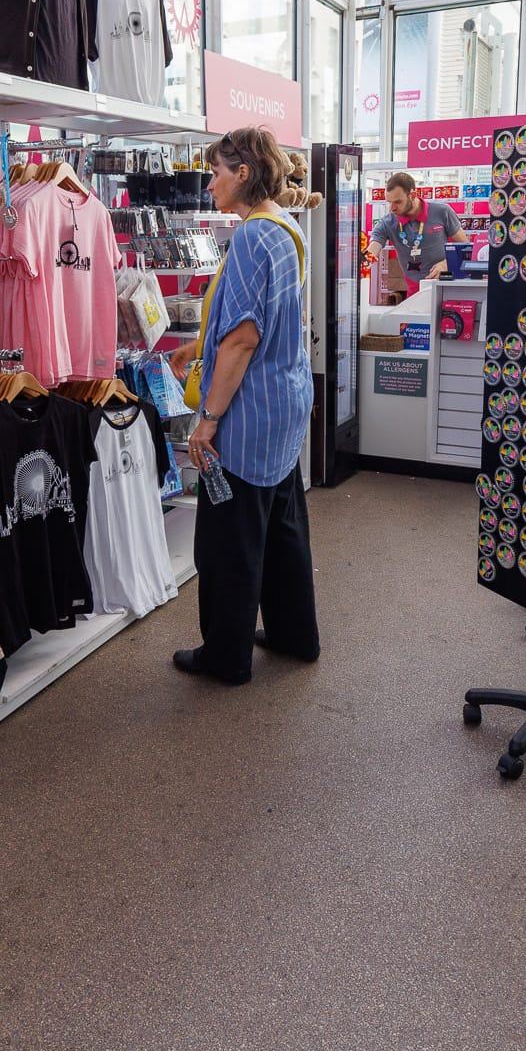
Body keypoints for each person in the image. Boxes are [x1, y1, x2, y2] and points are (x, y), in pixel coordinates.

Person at [165, 127, 318, 685]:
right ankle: (293, 633)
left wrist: (207, 421)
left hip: (249, 416)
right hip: (284, 403)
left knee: (228, 539)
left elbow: (245, 337)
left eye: (216, 173)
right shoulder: (284, 226)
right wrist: (199, 343)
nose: (209, 184)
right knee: (282, 524)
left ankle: (226, 657)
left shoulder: (253, 237)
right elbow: (259, 322)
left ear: (244, 173)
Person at [367, 170, 470, 297]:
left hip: (445, 286)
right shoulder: (388, 222)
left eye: (398, 202)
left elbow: (465, 247)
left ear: (412, 195)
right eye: (389, 202)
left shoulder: (442, 212)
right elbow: (371, 252)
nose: (392, 208)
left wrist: (446, 263)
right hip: (414, 292)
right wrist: (362, 261)